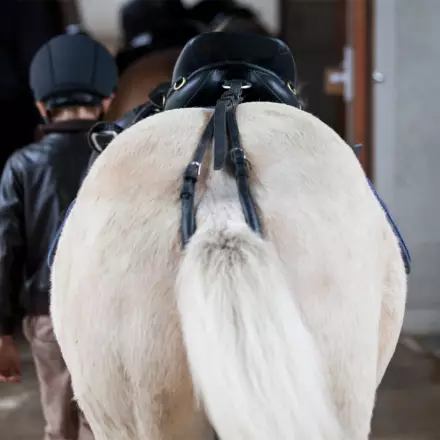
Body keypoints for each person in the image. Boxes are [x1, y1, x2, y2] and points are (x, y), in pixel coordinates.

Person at [0, 30, 117, 440]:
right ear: (107, 101)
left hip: (48, 315)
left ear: (40, 105)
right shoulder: (121, 153)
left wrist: (2, 332)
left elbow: (5, 251)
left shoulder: (22, 165)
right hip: (113, 314)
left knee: (60, 427)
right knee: (104, 424)